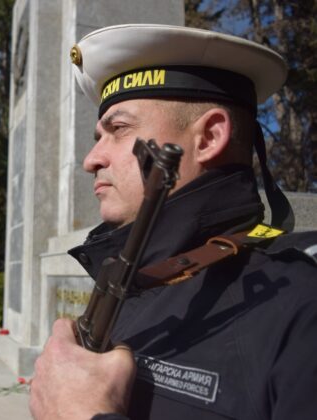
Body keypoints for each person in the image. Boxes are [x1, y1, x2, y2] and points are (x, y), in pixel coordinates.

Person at [29, 24, 317, 420]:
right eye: (98, 137)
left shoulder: (300, 305)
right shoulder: (139, 280)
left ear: (209, 137)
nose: (91, 160)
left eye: (118, 129)